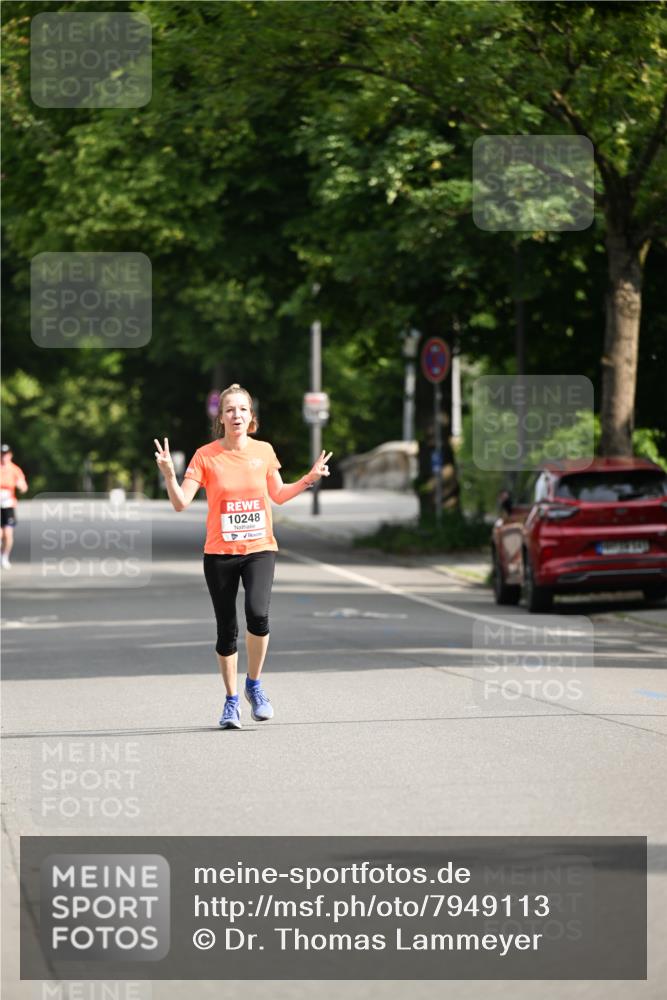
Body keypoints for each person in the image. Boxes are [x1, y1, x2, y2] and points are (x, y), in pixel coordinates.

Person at [154, 384, 332, 730]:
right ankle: (231, 701)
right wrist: (169, 475)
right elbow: (180, 503)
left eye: (243, 410)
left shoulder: (264, 451)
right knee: (226, 631)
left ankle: (254, 684)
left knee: (257, 614)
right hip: (219, 552)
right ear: (220, 418)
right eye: (230, 410)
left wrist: (308, 479)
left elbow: (277, 494)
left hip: (259, 549)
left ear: (252, 418)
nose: (236, 415)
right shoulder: (205, 456)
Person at [0, 444, 28, 570]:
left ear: (10, 455)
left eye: (6, 454)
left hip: (8, 505)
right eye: (1, 454)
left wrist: (21, 486)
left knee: (8, 533)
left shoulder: (14, 469)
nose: (3, 457)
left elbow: (23, 484)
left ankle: (5, 556)